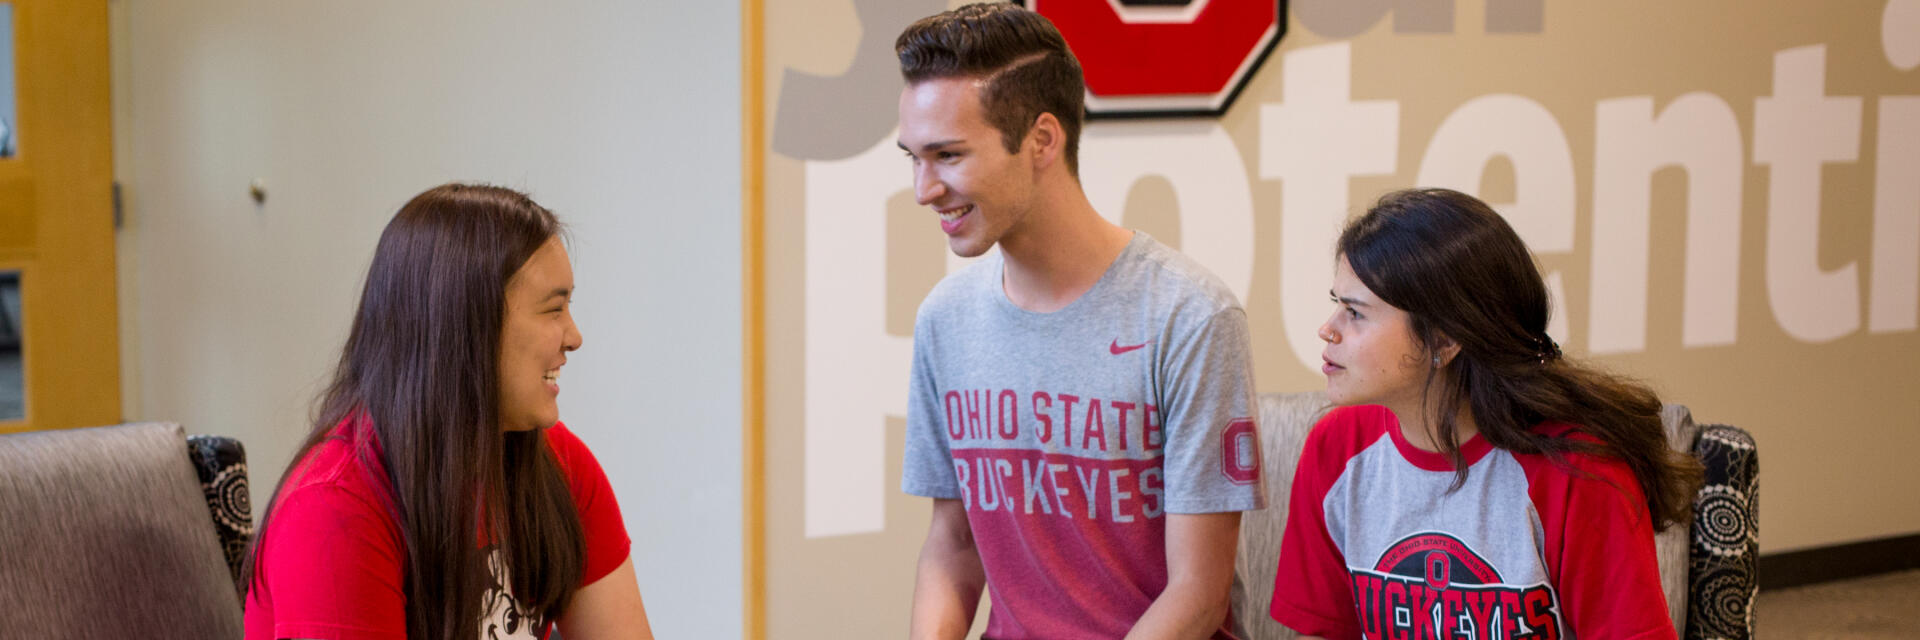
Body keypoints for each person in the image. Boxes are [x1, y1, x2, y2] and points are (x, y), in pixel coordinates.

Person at [895, 4, 1266, 638]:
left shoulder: (1191, 316)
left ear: (1042, 139)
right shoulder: (945, 320)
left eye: (948, 156)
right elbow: (953, 546)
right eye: (914, 158)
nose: (925, 188)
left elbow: (1199, 595)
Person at [1269, 188, 1704, 639]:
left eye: (1355, 313)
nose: (1328, 329)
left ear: (1443, 340)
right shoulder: (1336, 448)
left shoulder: (1579, 471)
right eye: (1337, 303)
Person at [242, 184, 654, 640]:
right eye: (553, 310)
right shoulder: (333, 512)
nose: (573, 336)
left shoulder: (560, 463)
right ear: (468, 328)